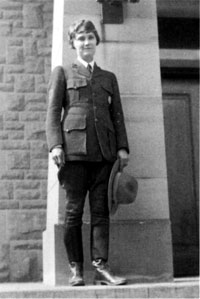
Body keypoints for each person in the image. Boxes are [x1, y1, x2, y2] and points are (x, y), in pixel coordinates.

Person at [46, 19, 129, 286]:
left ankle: (101, 268)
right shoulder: (63, 73)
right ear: (73, 44)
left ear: (96, 42)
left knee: (101, 212)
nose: (86, 43)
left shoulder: (108, 78)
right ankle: (76, 270)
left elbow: (117, 116)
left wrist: (122, 147)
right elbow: (52, 112)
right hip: (73, 154)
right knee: (73, 212)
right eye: (80, 39)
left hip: (104, 154)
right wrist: (55, 144)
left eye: (90, 38)